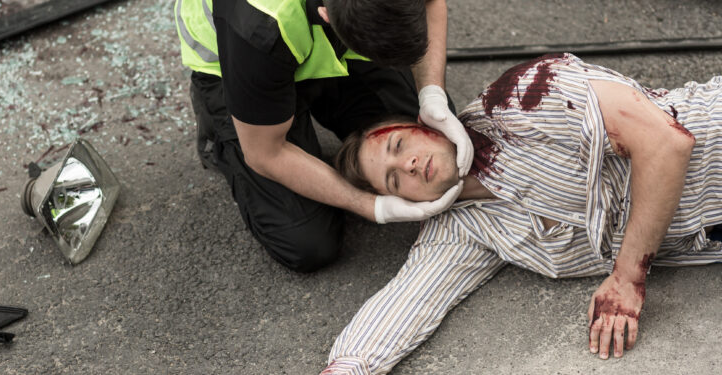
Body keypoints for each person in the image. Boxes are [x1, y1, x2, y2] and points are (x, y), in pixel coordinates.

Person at [321, 53, 722, 374]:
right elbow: (410, 298)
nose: (407, 164)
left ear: (422, 124)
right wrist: (348, 367)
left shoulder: (520, 97)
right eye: (393, 181)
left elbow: (666, 142)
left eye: (399, 144)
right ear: (400, 204)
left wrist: (627, 278)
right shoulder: (465, 229)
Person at [174, 0, 474, 272]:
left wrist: (432, 93)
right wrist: (370, 206)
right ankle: (223, 127)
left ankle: (328, 95)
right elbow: (266, 154)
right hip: (237, 66)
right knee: (307, 241)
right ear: (327, 16)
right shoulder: (259, 27)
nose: (409, 165)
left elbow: (431, 3)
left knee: (430, 126)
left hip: (313, 40)